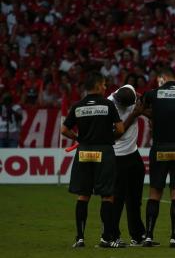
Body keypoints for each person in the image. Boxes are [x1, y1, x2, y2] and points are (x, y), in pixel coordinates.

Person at [61, 72, 125, 248]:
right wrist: (107, 136)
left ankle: (80, 238)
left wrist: (78, 139)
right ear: (97, 86)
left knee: (83, 195)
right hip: (103, 151)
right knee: (107, 196)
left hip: (84, 152)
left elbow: (64, 130)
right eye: (104, 84)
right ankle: (106, 238)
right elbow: (120, 129)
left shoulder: (77, 106)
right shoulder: (107, 105)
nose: (105, 88)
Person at [142, 66, 175, 248]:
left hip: (160, 147)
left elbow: (142, 109)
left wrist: (154, 114)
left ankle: (148, 236)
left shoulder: (153, 93)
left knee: (155, 192)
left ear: (162, 78)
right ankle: (174, 237)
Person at [107, 84, 150, 247]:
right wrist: (134, 114)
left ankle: (138, 235)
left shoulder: (130, 89)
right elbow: (116, 133)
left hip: (133, 153)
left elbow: (140, 102)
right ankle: (112, 235)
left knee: (135, 198)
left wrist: (144, 108)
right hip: (117, 156)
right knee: (116, 199)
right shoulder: (109, 105)